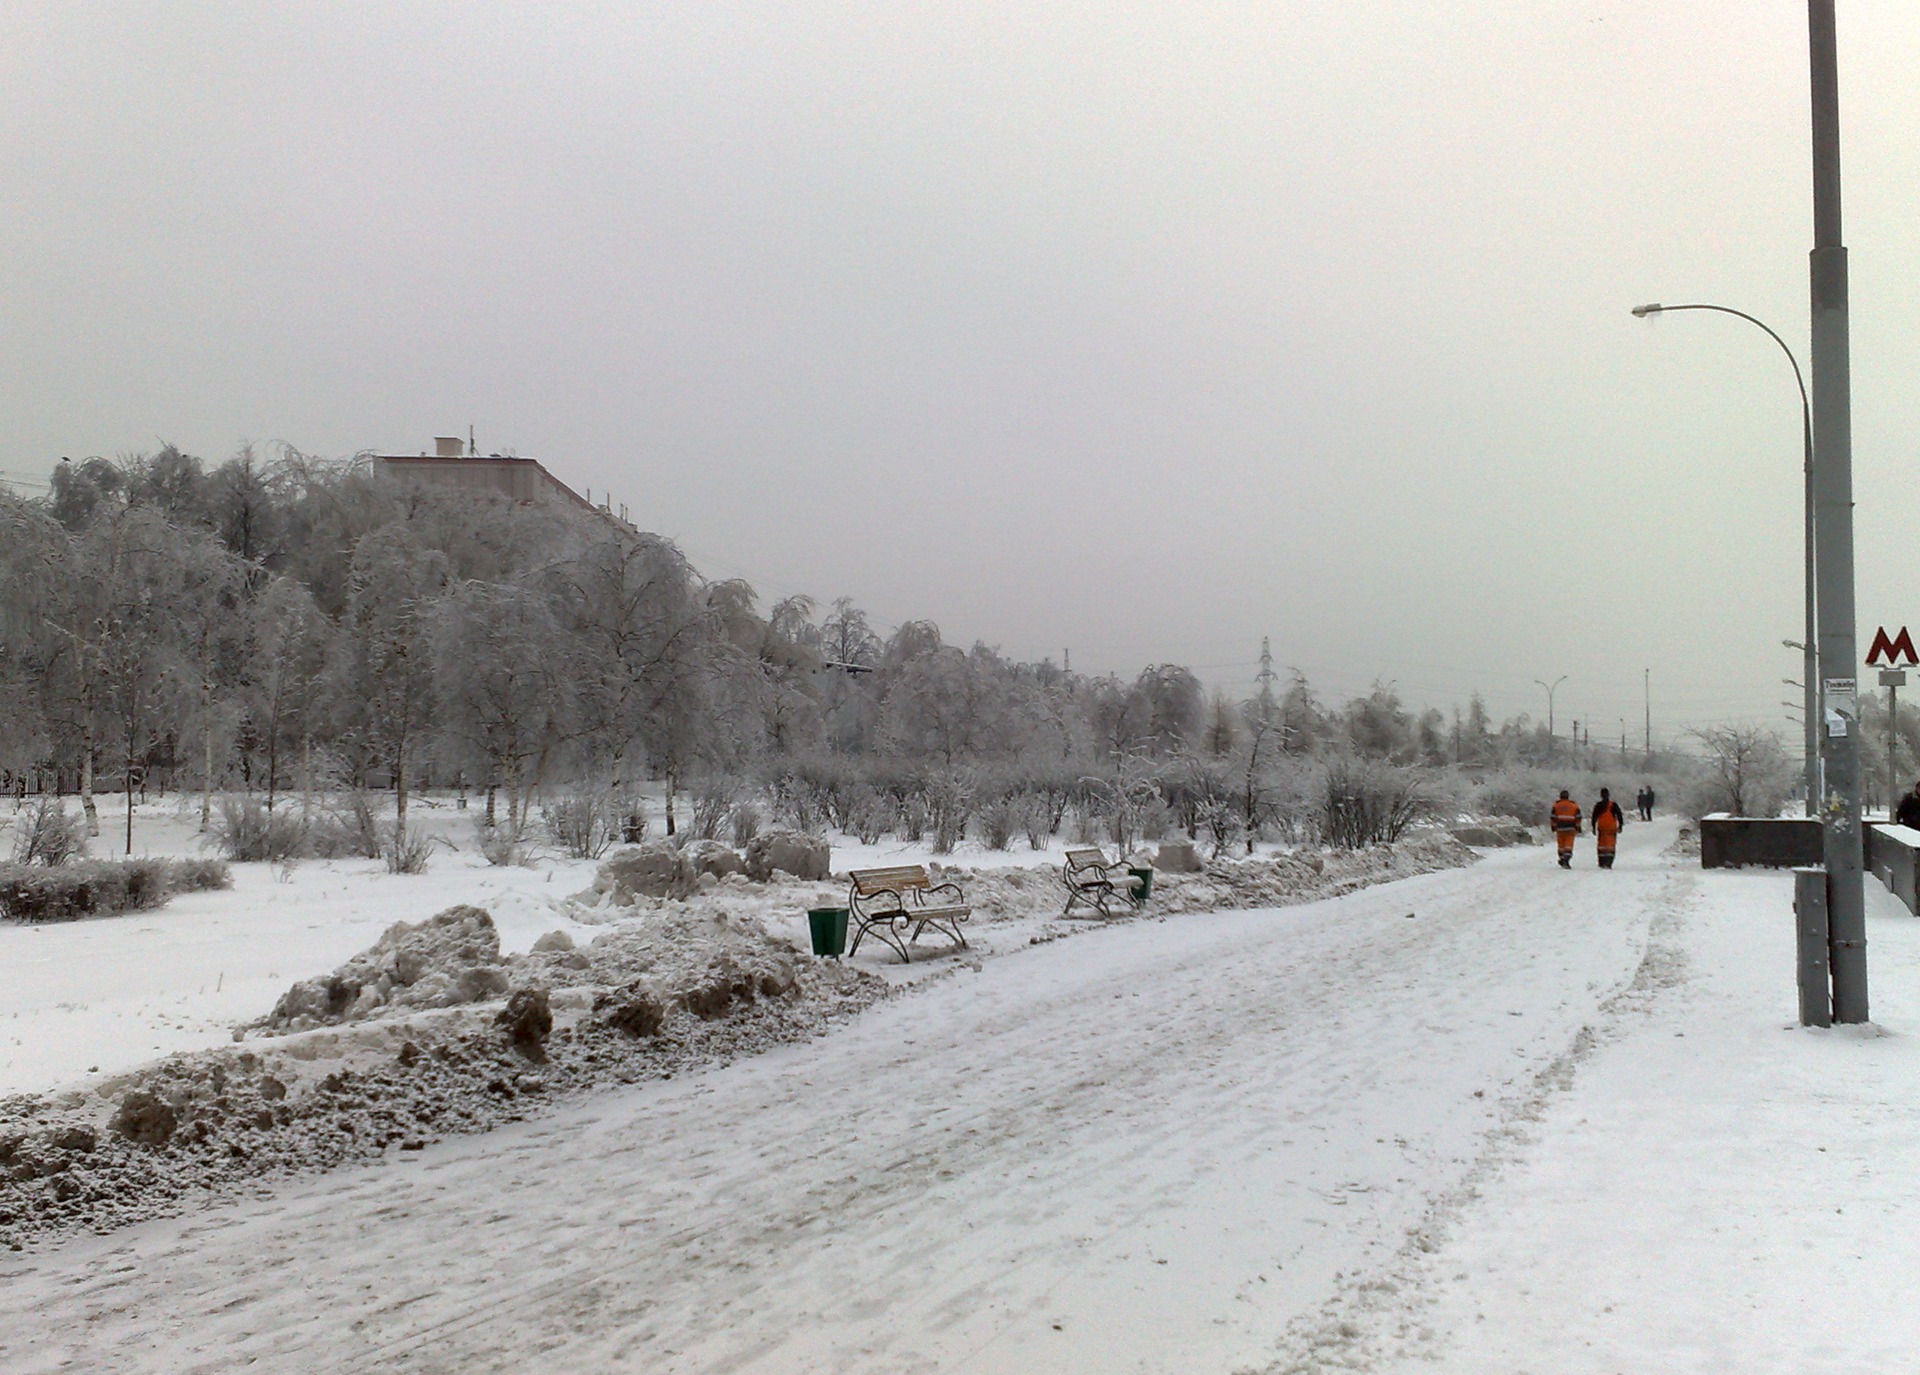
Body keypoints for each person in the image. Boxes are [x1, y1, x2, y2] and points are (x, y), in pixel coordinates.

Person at [1592, 788, 1625, 869]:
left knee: (1601, 844)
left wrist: (1593, 827)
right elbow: (1619, 815)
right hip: (1611, 827)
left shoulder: (1598, 805)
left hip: (1602, 827)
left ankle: (1602, 861)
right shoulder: (1613, 805)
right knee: (1610, 844)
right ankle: (1609, 862)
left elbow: (1594, 817)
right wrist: (1620, 825)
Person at [1550, 790, 1582, 868]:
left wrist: (1553, 826)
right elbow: (1578, 817)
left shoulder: (1556, 805)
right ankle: (1566, 859)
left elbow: (1553, 817)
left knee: (1561, 844)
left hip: (1560, 827)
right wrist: (1578, 826)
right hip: (1571, 828)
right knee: (1568, 844)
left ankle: (1562, 858)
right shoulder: (1574, 805)